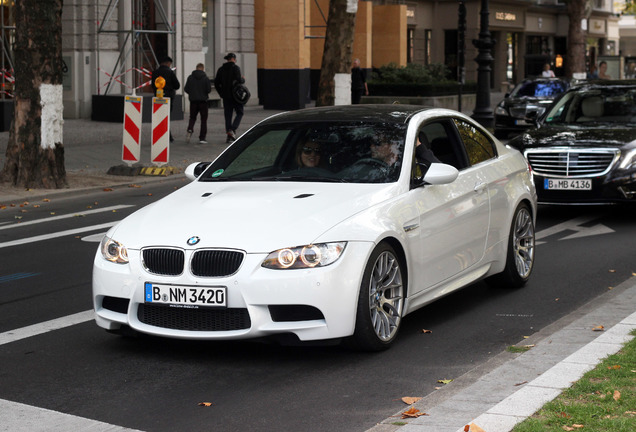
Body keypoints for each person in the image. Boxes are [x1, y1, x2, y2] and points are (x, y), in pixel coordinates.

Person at [214, 53, 245, 143]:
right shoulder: (235, 68)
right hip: (235, 96)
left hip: (225, 96)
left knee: (228, 115)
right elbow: (239, 80)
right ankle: (232, 129)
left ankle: (229, 135)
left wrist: (221, 93)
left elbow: (216, 83)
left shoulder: (221, 69)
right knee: (240, 112)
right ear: (233, 59)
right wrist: (243, 79)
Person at [151, 56, 181, 142]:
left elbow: (153, 85)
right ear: (168, 63)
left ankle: (158, 135)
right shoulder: (170, 72)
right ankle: (167, 136)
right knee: (166, 117)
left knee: (158, 117)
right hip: (168, 97)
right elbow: (177, 85)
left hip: (158, 97)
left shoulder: (155, 72)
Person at [184, 63, 212, 144]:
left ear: (196, 68)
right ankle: (202, 138)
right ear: (203, 69)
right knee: (203, 120)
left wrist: (192, 93)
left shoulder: (190, 77)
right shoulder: (206, 78)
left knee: (192, 117)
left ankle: (190, 129)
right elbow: (209, 90)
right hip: (203, 102)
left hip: (193, 101)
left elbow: (186, 89)